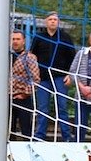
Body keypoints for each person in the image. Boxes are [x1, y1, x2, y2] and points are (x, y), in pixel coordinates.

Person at [30, 11, 76, 141]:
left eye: (55, 19)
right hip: (43, 79)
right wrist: (35, 76)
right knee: (42, 108)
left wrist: (70, 75)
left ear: (58, 22)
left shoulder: (65, 37)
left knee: (62, 107)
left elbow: (73, 57)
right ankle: (39, 136)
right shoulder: (39, 37)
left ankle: (66, 136)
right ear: (46, 21)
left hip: (60, 78)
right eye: (50, 19)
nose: (52, 21)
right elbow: (32, 57)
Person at [9, 30, 39, 139]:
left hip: (23, 98)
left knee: (26, 130)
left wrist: (25, 94)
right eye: (13, 39)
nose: (15, 41)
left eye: (18, 39)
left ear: (24, 41)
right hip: (7, 98)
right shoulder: (5, 57)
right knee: (8, 131)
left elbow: (35, 79)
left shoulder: (30, 57)